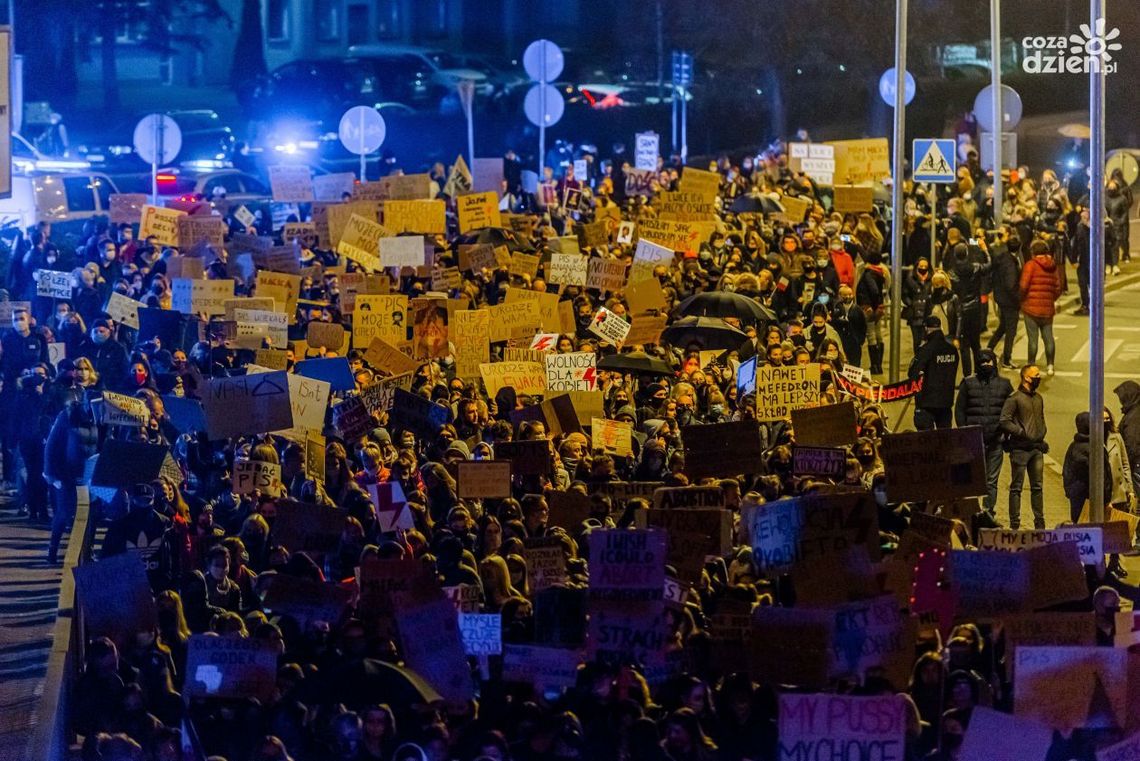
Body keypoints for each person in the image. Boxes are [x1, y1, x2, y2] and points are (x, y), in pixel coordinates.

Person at [954, 350, 1013, 517]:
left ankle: (988, 512)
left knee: (991, 481)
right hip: (973, 441)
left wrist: (1005, 434)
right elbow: (960, 410)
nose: (986, 365)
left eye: (989, 362)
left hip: (996, 441)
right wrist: (965, 432)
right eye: (983, 362)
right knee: (971, 480)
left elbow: (1011, 411)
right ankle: (971, 511)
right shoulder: (968, 383)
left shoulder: (1005, 384)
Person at [1000, 365, 1048, 530]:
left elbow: (1040, 418)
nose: (1039, 377)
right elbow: (1004, 421)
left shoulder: (1038, 398)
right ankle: (1015, 523)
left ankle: (1039, 521)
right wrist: (1021, 432)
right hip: (1020, 449)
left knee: (1038, 487)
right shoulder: (1014, 399)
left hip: (1036, 449)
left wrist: (1042, 433)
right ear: (1026, 378)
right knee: (1016, 487)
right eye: (1036, 375)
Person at [1018, 239, 1062, 375]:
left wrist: (1021, 299)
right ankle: (1050, 365)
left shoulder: (1030, 265)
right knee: (1048, 337)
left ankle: (1031, 364)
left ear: (1033, 252)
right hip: (1047, 309)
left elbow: (1023, 286)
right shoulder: (1053, 266)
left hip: (1031, 308)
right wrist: (1051, 298)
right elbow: (1058, 287)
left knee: (1033, 339)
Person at [908, 316, 959, 431]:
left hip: (926, 403)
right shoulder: (952, 350)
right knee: (945, 441)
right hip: (946, 402)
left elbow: (912, 373)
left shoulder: (926, 350)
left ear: (926, 329)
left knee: (927, 442)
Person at [1063, 412, 1112, 522]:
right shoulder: (1096, 447)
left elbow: (1067, 472)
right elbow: (1103, 476)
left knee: (1080, 529)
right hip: (1095, 499)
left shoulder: (1073, 446)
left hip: (1076, 497)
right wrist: (1107, 499)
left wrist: (1069, 491)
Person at [985, 229, 1022, 368]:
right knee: (1011, 330)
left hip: (1000, 298)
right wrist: (1018, 300)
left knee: (1003, 327)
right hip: (1009, 301)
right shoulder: (1011, 264)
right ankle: (1007, 359)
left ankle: (989, 348)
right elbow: (1011, 285)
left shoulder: (1002, 258)